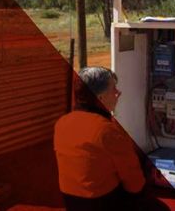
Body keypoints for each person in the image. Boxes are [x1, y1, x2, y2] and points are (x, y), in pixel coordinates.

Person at [53, 67, 154, 211]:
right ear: (100, 98)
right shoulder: (107, 130)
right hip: (102, 203)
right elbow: (134, 182)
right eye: (113, 89)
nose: (118, 93)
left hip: (72, 201)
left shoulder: (62, 123)